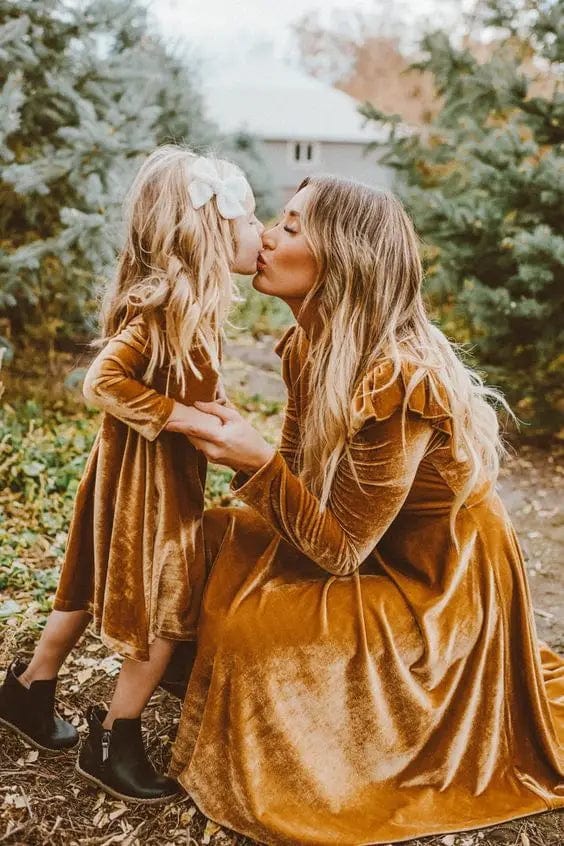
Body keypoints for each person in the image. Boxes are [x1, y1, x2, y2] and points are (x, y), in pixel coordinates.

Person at [165, 176, 564, 844]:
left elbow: (340, 549)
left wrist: (252, 461)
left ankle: (286, 715)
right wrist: (245, 449)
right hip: (363, 543)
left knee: (253, 636)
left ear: (344, 262)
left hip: (436, 584)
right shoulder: (309, 344)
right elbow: (296, 476)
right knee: (204, 539)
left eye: (291, 228)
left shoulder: (398, 379)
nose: (265, 234)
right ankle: (206, 685)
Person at [0, 145, 263, 804]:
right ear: (210, 232)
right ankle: (114, 741)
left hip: (125, 476)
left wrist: (215, 418)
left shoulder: (182, 305)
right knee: (166, 616)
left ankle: (29, 688)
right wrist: (192, 423)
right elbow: (103, 381)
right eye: (249, 223)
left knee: (83, 587)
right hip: (151, 494)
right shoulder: (168, 305)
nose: (259, 235)